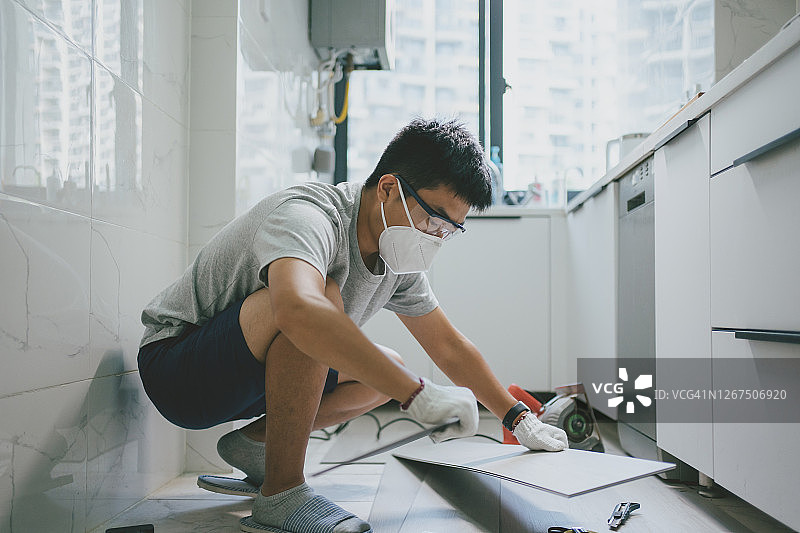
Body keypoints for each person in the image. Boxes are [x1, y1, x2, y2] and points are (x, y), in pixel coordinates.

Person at [137, 118, 568, 533]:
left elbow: (448, 346)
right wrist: (416, 393)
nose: (435, 236)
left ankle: (256, 448)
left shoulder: (396, 258)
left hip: (241, 376)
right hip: (177, 370)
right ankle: (281, 494)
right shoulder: (309, 217)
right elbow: (298, 311)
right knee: (320, 300)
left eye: (449, 229)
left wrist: (518, 419)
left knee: (382, 369)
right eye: (433, 218)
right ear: (388, 187)